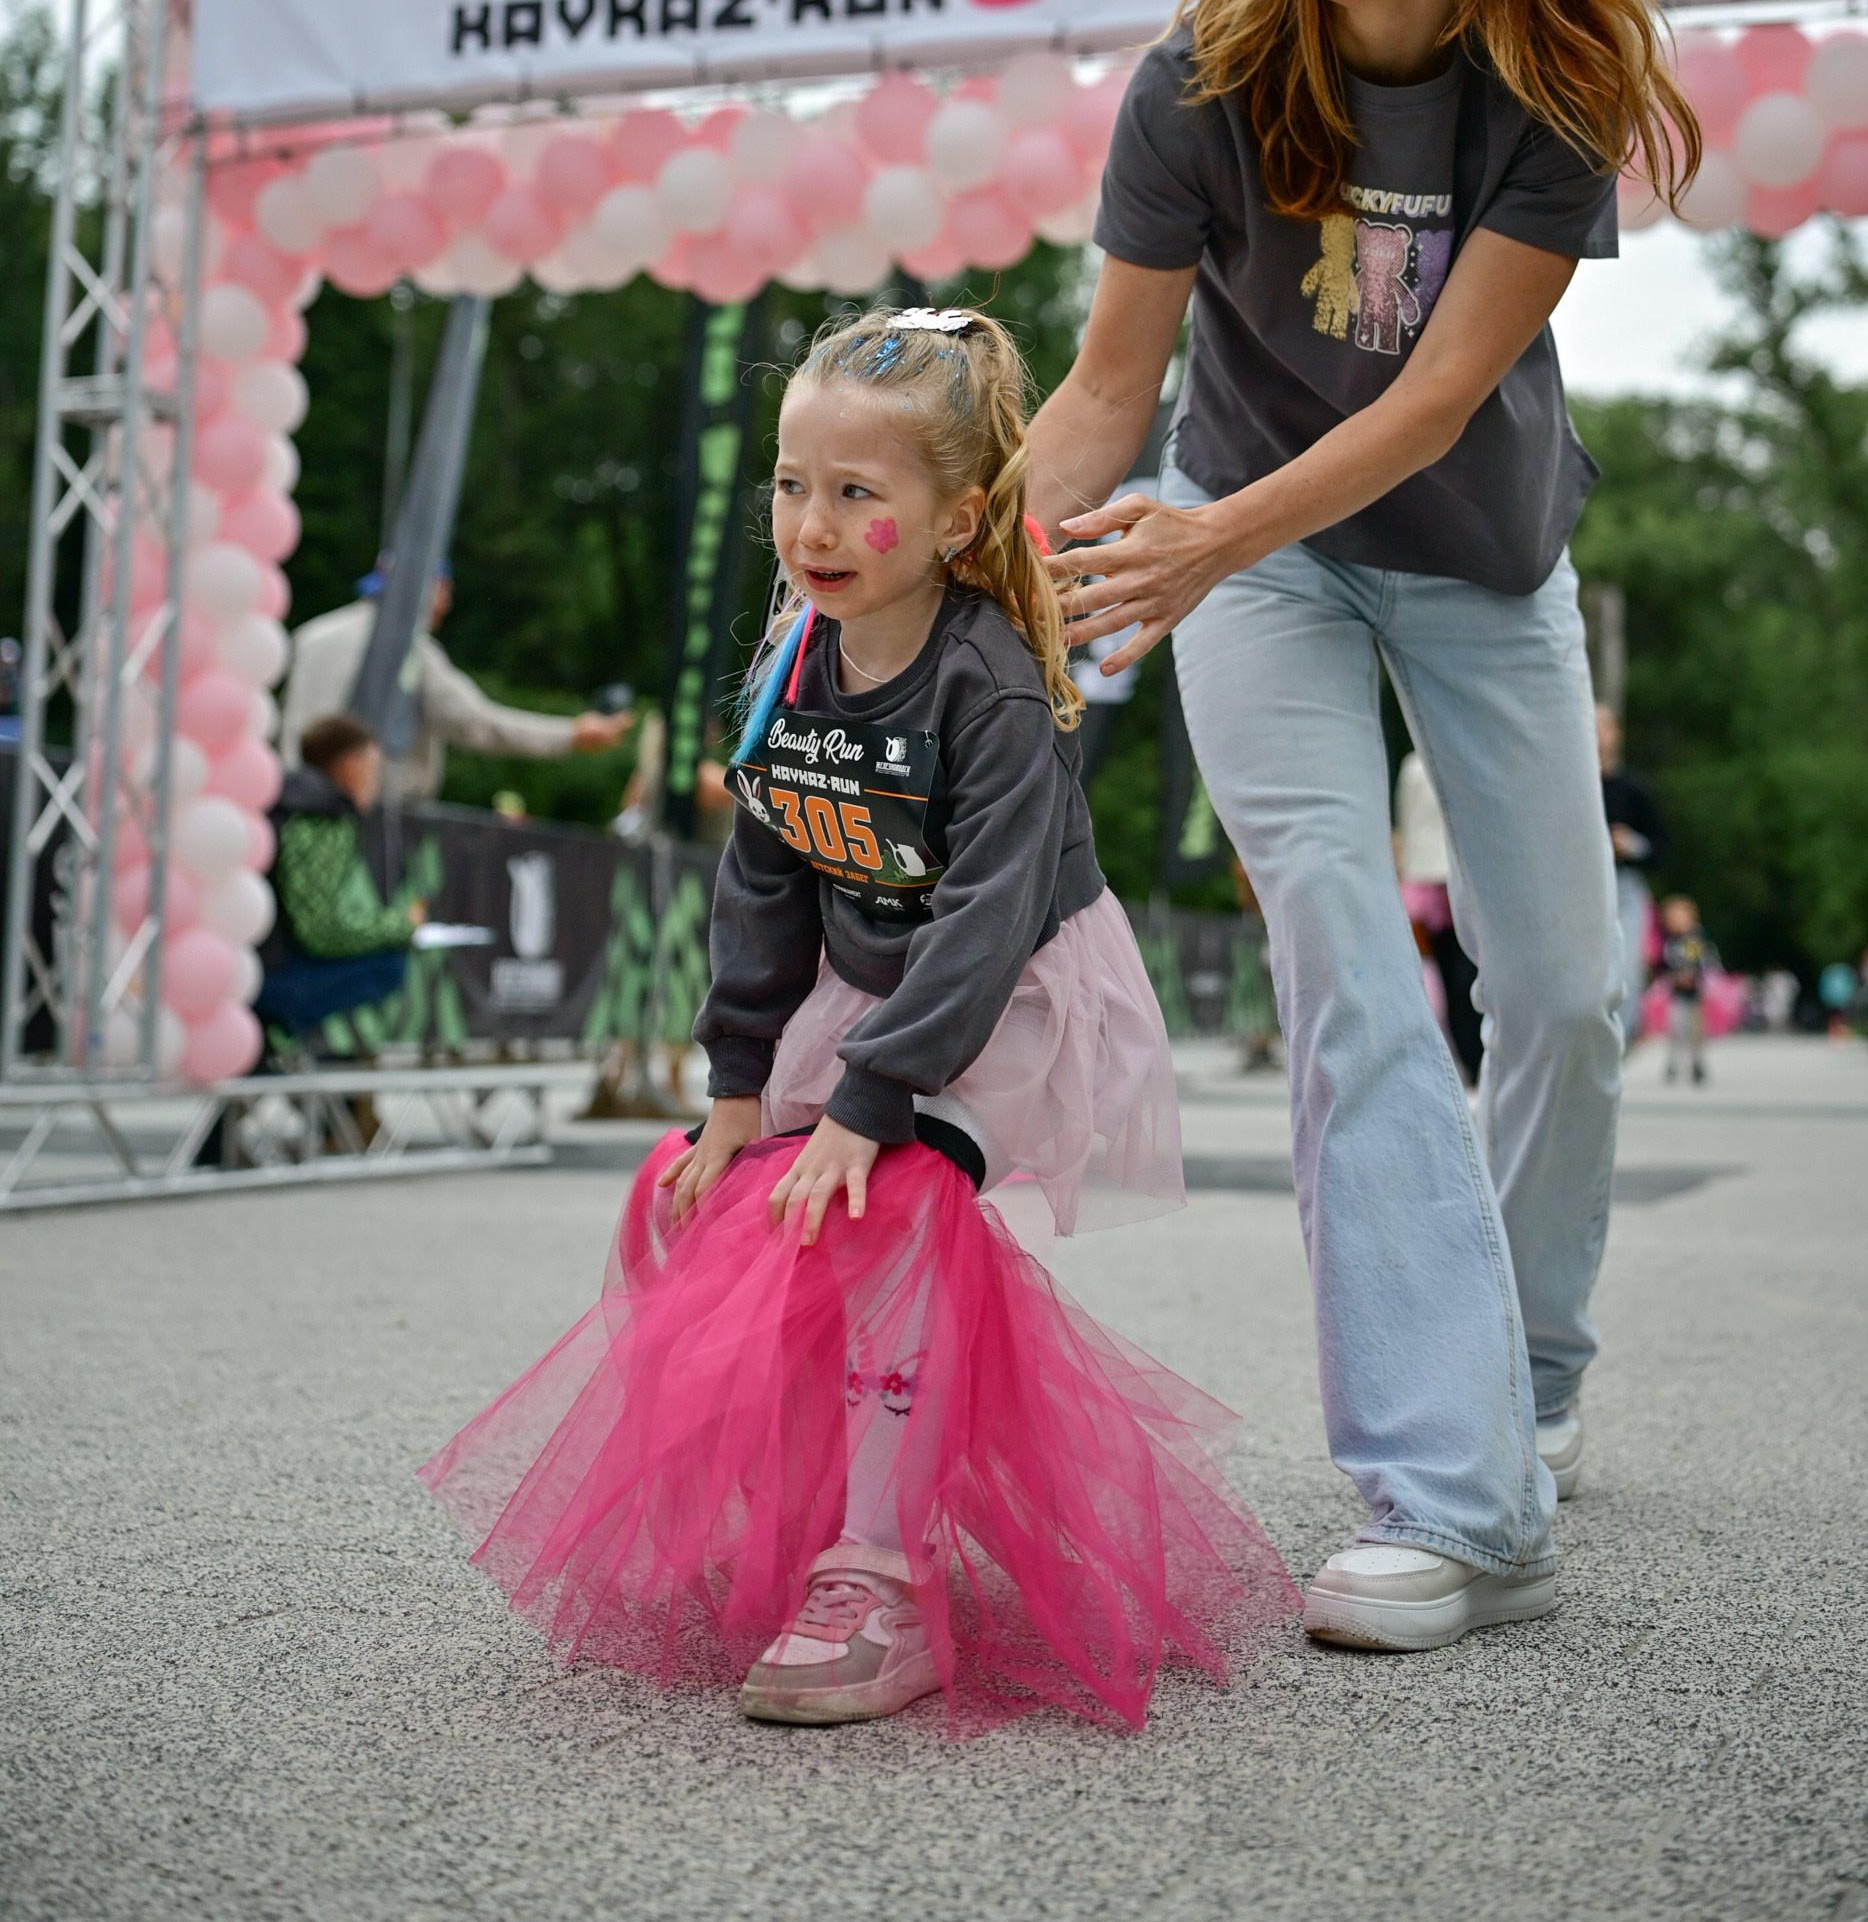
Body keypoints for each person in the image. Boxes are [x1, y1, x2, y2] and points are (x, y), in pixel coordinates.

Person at [1026, 0, 1697, 1653]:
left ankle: (1530, 1375)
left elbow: (1432, 405)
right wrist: (958, 566)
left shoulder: (1553, 79)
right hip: (1261, 566)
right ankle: (1449, 1493)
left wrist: (1204, 535)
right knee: (1338, 949)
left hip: (1476, 558)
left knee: (1559, 998)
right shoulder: (1207, 73)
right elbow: (1108, 391)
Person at [420, 305, 1298, 1732]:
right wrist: (737, 1090)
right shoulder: (794, 657)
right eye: (790, 484)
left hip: (1006, 995)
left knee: (891, 1208)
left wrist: (872, 1103)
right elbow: (764, 881)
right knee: (701, 1200)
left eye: (854, 492)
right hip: (874, 979)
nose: (811, 526)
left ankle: (880, 1573)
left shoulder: (991, 686)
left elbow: (988, 920)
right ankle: (807, 1509)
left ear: (958, 520)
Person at [279, 563, 631, 806]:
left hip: (293, 806)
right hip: (375, 817)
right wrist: (569, 734)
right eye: (444, 591)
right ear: (425, 588)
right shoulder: (413, 650)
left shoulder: (310, 637)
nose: (445, 606)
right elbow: (476, 724)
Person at [260, 714, 420, 1056]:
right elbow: (319, 931)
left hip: (251, 964)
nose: (376, 783)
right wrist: (402, 925)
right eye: (373, 770)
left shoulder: (288, 799)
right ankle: (271, 1035)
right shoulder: (324, 817)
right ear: (350, 766)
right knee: (391, 964)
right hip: (268, 976)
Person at [1394, 745, 1482, 1086]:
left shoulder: (1429, 764)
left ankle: (1473, 1055)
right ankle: (1470, 1055)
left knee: (1461, 973)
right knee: (1453, 975)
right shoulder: (1420, 766)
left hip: (1454, 875)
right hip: (1435, 879)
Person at [1597, 702, 1665, 1045]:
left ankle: (1618, 1043)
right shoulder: (1566, 789)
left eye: (1603, 727)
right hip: (1576, 890)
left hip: (1622, 885)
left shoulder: (1633, 789)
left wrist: (1630, 844)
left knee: (1624, 970)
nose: (1596, 735)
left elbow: (1660, 848)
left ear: (1617, 734)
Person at [1657, 895, 1716, 1084]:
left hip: (1694, 992)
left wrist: (1689, 976)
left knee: (1694, 1030)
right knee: (1676, 1028)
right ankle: (1674, 1062)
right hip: (1677, 993)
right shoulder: (1671, 939)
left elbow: (1697, 962)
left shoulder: (1694, 937)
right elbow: (1666, 962)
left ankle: (1697, 1062)